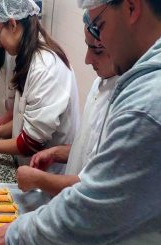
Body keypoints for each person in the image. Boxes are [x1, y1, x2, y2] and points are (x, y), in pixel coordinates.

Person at [0, 0, 161, 245]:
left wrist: (19, 235)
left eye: (99, 26)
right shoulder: (125, 82)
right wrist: (60, 152)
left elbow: (95, 208)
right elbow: (98, 151)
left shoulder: (152, 100)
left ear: (131, 8)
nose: (86, 60)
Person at [16, 10, 119, 196]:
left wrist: (39, 180)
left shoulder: (125, 102)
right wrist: (56, 153)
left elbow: (98, 186)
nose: (87, 60)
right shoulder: (100, 83)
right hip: (68, 198)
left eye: (97, 50)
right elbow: (89, 152)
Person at [0, 0, 80, 173]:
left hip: (50, 176)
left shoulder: (45, 68)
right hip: (31, 171)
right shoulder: (28, 59)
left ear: (13, 24)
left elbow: (31, 142)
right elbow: (22, 118)